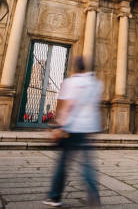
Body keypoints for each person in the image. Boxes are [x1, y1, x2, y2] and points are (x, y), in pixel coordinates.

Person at [43, 56, 102, 207]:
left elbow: (68, 106)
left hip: (71, 128)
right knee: (88, 165)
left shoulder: (71, 82)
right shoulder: (95, 83)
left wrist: (59, 127)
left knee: (63, 163)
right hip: (88, 128)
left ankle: (55, 196)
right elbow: (95, 106)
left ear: (75, 67)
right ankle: (94, 196)